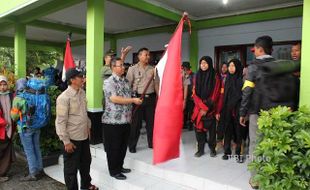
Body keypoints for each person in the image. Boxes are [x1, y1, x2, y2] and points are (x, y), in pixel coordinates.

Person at [55, 68, 98, 190]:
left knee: (85, 163)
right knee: (71, 170)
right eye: (80, 77)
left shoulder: (82, 92)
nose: (83, 79)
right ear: (72, 80)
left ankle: (86, 185)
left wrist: (88, 127)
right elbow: (60, 121)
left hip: (83, 136)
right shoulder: (64, 98)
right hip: (72, 140)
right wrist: (66, 141)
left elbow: (84, 113)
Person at [102, 58, 142, 180]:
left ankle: (119, 166)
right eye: (120, 65)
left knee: (123, 146)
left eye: (123, 65)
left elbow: (128, 95)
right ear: (113, 67)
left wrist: (135, 98)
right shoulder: (109, 81)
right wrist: (132, 100)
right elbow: (114, 99)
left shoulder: (125, 81)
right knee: (114, 147)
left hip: (126, 119)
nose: (123, 67)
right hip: (113, 121)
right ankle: (114, 171)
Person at [11, 78, 49, 182]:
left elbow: (14, 117)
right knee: (36, 148)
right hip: (37, 126)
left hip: (25, 128)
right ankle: (40, 169)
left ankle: (33, 173)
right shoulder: (35, 95)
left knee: (29, 151)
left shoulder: (18, 98)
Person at [126, 47, 158, 153]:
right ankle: (132, 145)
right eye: (146, 55)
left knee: (151, 123)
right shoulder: (132, 69)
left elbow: (156, 84)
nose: (148, 57)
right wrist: (131, 100)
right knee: (136, 124)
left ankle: (151, 143)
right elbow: (128, 85)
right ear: (139, 56)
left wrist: (159, 97)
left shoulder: (153, 69)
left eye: (149, 55)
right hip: (137, 99)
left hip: (151, 99)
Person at [191, 56, 222, 157]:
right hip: (199, 108)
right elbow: (194, 93)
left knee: (212, 132)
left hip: (210, 108)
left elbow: (215, 94)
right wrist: (201, 107)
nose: (203, 65)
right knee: (199, 130)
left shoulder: (215, 76)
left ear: (210, 64)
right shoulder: (197, 76)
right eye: (201, 63)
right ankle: (200, 150)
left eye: (205, 63)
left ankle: (212, 149)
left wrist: (206, 108)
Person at [217, 59, 245, 163]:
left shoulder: (241, 80)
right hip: (227, 110)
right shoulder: (226, 79)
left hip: (237, 110)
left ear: (237, 67)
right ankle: (227, 152)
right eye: (229, 66)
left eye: (233, 66)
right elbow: (223, 96)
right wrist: (220, 110)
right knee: (227, 131)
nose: (231, 68)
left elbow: (241, 96)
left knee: (238, 133)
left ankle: (238, 153)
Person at [0, 76, 15, 182]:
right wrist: (3, 123)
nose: (3, 87)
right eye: (0, 85)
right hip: (1, 129)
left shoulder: (11, 95)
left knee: (6, 151)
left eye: (4, 84)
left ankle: (2, 172)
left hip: (10, 129)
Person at [182, 62, 194, 130]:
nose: (184, 69)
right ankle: (184, 124)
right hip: (183, 95)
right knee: (184, 111)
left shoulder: (193, 75)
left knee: (191, 111)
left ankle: (190, 124)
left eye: (184, 68)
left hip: (191, 96)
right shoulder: (183, 75)